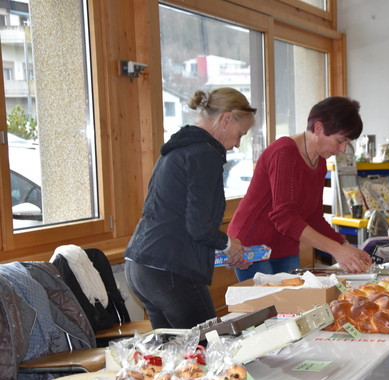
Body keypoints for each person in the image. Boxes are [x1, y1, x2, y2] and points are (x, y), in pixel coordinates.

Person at [125, 88, 254, 329]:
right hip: (169, 272)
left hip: (141, 267)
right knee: (209, 346)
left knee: (173, 354)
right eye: (240, 134)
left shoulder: (181, 148)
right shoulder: (204, 154)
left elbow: (177, 221)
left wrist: (225, 251)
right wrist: (228, 244)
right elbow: (199, 227)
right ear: (226, 119)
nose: (237, 145)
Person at [228, 96, 372, 281]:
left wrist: (344, 245)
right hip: (252, 246)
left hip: (285, 245)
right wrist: (336, 250)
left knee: (292, 304)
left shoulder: (319, 162)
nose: (343, 149)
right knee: (269, 306)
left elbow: (313, 216)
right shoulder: (284, 152)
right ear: (319, 129)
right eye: (340, 141)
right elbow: (284, 217)